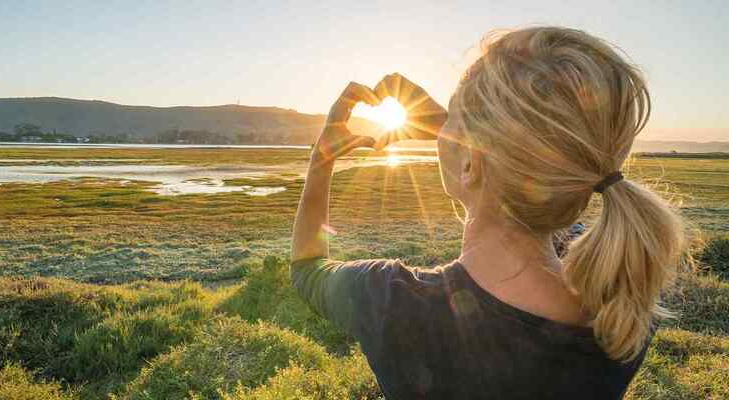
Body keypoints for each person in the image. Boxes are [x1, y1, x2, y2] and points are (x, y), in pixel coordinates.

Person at [290, 26, 684, 399]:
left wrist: (320, 161)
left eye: (453, 122)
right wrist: (467, 137)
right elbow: (536, 171)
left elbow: (307, 268)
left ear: (470, 164)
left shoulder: (391, 301)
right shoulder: (625, 298)